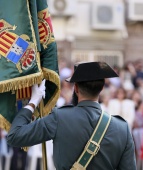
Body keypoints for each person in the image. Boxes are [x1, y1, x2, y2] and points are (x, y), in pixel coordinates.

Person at [7, 62, 136, 170]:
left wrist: (33, 102)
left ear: (76, 88)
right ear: (102, 88)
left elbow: (14, 136)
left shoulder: (59, 117)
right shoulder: (122, 128)